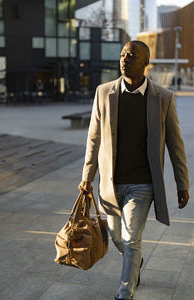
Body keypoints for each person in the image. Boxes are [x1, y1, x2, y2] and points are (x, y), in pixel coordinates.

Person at [78, 40, 189, 300]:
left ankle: (124, 292)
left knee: (130, 237)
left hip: (143, 183)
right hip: (111, 183)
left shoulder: (162, 98)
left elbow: (175, 144)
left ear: (145, 63)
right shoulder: (104, 93)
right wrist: (87, 178)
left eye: (132, 55)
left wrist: (182, 183)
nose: (125, 59)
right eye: (123, 54)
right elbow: (93, 139)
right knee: (117, 237)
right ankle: (134, 261)